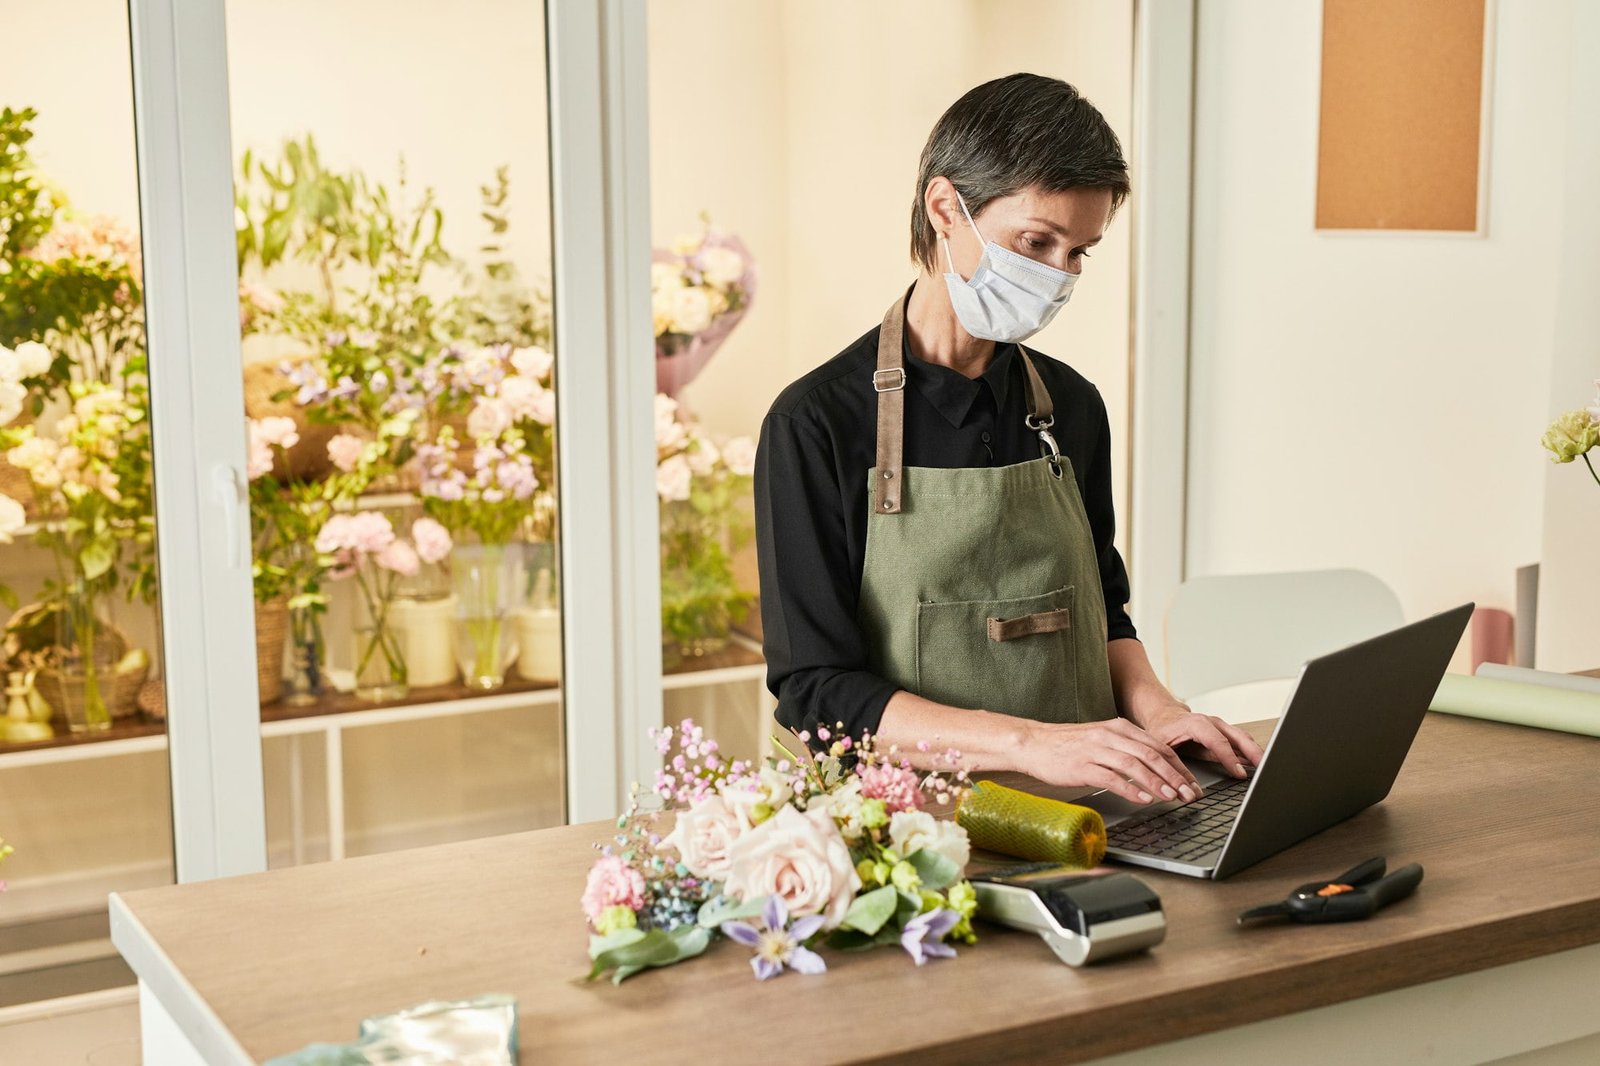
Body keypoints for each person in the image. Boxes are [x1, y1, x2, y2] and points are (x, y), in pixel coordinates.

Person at [753, 73, 1263, 806]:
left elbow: (1103, 617)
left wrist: (1166, 715)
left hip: (1089, 811)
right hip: (910, 835)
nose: (1058, 275)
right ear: (944, 208)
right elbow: (819, 692)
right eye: (1036, 241)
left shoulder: (1073, 409)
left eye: (1078, 251)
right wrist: (1032, 743)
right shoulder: (815, 424)